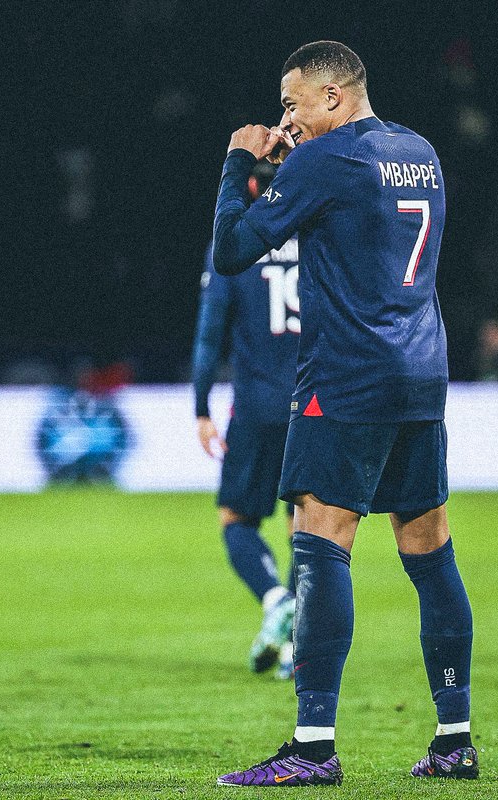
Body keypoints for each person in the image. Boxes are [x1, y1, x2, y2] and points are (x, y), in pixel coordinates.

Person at [211, 41, 476, 786]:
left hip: (348, 375)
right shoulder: (418, 150)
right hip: (422, 370)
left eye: (293, 104)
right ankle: (454, 739)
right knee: (429, 548)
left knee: (319, 539)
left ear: (333, 94)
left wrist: (240, 162)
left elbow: (233, 250)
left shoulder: (321, 162)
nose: (285, 119)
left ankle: (313, 747)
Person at [191, 162, 300, 679]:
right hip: (316, 403)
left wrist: (200, 407)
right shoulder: (319, 233)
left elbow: (210, 336)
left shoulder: (236, 244)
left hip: (257, 406)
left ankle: (276, 598)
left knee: (236, 518)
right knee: (310, 524)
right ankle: (296, 647)